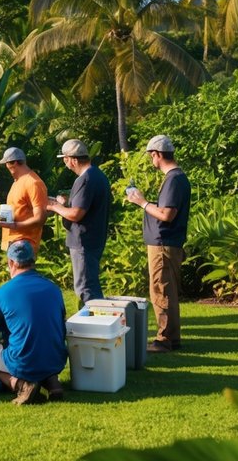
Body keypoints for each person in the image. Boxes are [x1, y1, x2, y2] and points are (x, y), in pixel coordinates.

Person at [124, 134, 190, 353]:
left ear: (158, 155)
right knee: (166, 290)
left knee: (161, 291)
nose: (151, 159)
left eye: (151, 155)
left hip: (163, 244)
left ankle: (165, 340)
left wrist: (141, 202)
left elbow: (166, 214)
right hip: (166, 242)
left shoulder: (173, 179)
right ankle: (172, 338)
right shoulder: (177, 178)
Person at [0, 240, 67, 404]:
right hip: (57, 359)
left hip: (24, 362)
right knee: (42, 343)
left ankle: (21, 385)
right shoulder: (54, 289)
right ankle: (53, 384)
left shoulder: (1, 293)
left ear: (11, 262)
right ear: (33, 259)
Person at [45, 139, 111, 304]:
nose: (65, 164)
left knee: (85, 288)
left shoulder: (85, 179)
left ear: (73, 159)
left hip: (84, 241)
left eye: (65, 159)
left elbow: (76, 214)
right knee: (88, 284)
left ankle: (95, 325)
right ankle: (93, 322)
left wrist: (53, 206)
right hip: (92, 238)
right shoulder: (97, 175)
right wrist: (62, 203)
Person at [0, 146, 48, 253]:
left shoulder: (33, 183)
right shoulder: (17, 181)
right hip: (13, 241)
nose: (6, 167)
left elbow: (40, 218)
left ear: (14, 163)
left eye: (7, 164)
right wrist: (4, 220)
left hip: (24, 242)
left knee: (23, 270)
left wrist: (15, 225)